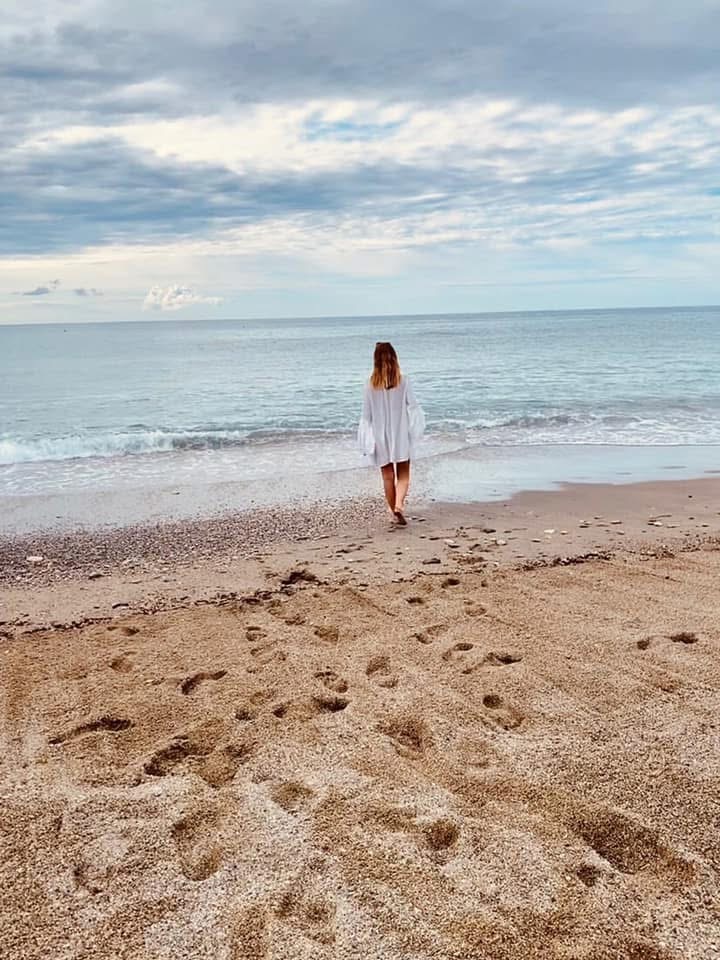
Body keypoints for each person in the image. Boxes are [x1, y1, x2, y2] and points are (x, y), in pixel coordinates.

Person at [358, 341, 425, 525]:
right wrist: (415, 431)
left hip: (380, 437)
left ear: (375, 360)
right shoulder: (403, 381)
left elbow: (366, 417)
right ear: (395, 358)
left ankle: (394, 511)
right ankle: (399, 505)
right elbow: (413, 407)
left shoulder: (369, 385)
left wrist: (366, 441)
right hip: (400, 434)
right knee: (403, 475)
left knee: (388, 476)